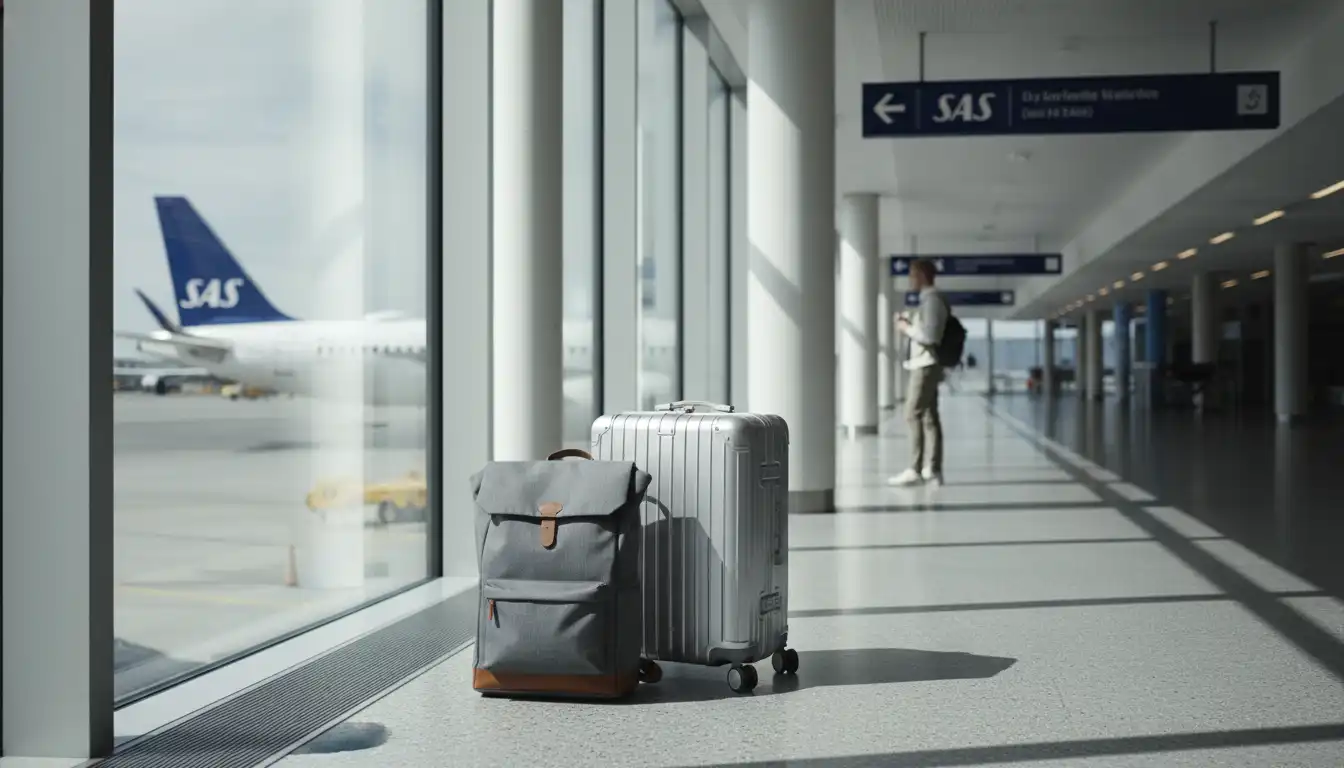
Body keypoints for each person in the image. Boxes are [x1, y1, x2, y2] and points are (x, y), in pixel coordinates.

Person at [889, 258, 947, 487]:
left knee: (912, 413)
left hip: (925, 365)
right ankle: (932, 469)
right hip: (926, 364)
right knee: (929, 417)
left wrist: (906, 328)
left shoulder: (932, 301)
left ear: (922, 275)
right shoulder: (929, 301)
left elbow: (930, 336)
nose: (910, 280)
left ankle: (916, 468)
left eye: (912, 275)